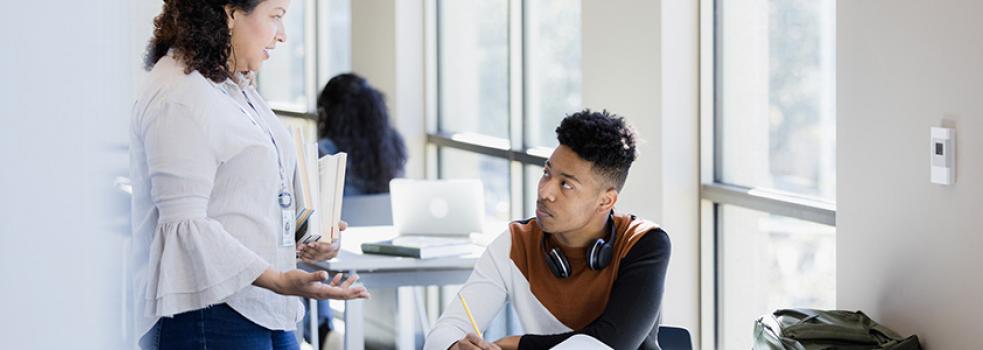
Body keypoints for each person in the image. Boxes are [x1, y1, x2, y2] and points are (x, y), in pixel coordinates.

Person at [130, 1, 368, 349]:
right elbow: (185, 226)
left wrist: (307, 235)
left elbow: (247, 200)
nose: (283, 35)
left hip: (266, 305)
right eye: (275, 16)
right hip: (209, 314)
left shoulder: (233, 90)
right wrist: (278, 279)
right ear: (230, 13)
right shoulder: (180, 96)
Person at [424, 110, 672, 350]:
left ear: (606, 201)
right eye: (546, 173)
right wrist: (455, 346)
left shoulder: (644, 243)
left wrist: (516, 344)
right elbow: (444, 331)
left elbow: (610, 343)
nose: (544, 192)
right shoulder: (515, 244)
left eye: (566, 184)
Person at [300, 72, 409, 345]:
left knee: (300, 255)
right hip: (382, 250)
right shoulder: (393, 148)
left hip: (338, 249)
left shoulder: (326, 152)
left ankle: (323, 331)